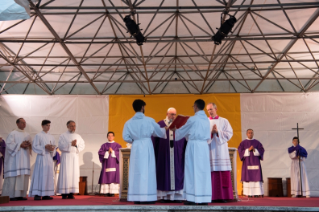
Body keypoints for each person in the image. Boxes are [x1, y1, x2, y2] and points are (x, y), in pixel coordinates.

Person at [122, 99, 167, 204]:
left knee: (136, 171)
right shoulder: (149, 120)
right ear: (142, 107)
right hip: (146, 145)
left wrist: (134, 140)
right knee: (148, 171)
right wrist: (166, 129)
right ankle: (148, 197)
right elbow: (159, 132)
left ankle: (137, 197)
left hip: (136, 146)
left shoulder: (128, 122)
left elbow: (125, 137)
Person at [172, 99, 211, 205]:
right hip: (204, 146)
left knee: (191, 171)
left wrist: (176, 129)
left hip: (194, 146)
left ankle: (192, 198)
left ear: (195, 106)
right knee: (203, 172)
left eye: (193, 106)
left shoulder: (192, 119)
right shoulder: (207, 120)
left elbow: (182, 131)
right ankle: (204, 199)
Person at [153, 107, 187, 203]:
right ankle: (163, 196)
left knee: (177, 173)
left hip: (177, 154)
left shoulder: (180, 125)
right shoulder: (160, 124)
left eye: (175, 114)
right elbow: (155, 139)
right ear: (167, 114)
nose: (173, 116)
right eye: (171, 114)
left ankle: (177, 197)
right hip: (163, 154)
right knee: (164, 173)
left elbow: (184, 138)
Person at [206, 103, 234, 202]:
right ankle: (211, 196)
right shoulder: (205, 122)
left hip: (221, 150)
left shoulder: (224, 121)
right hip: (210, 149)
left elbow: (230, 133)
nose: (209, 111)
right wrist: (210, 133)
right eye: (208, 110)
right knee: (210, 171)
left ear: (216, 109)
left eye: (211, 109)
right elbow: (202, 135)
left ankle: (223, 197)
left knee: (222, 171)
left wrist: (218, 132)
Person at [2, 118, 31, 201]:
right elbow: (9, 145)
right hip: (15, 160)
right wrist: (20, 145)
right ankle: (11, 195)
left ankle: (20, 195)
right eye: (22, 123)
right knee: (14, 176)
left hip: (24, 159)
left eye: (25, 123)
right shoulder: (12, 133)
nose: (24, 124)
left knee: (22, 177)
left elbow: (30, 146)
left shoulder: (27, 134)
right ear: (17, 124)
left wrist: (29, 145)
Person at [57, 120, 85, 199]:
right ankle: (64, 192)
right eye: (71, 126)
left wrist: (76, 147)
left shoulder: (78, 136)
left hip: (74, 157)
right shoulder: (63, 135)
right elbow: (61, 146)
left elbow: (82, 145)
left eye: (74, 126)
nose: (73, 127)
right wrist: (70, 144)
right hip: (66, 156)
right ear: (67, 126)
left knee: (73, 174)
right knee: (65, 173)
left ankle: (71, 192)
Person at [29, 120, 56, 200]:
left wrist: (52, 149)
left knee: (48, 175)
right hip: (41, 157)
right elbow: (34, 146)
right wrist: (44, 147)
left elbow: (54, 148)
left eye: (49, 125)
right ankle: (37, 194)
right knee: (40, 175)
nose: (48, 127)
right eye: (47, 125)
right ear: (42, 126)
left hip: (49, 158)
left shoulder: (51, 137)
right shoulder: (38, 135)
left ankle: (46, 194)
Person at [238, 129, 264, 197]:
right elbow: (240, 151)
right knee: (248, 177)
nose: (250, 134)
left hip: (255, 162)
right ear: (246, 134)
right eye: (249, 133)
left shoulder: (257, 142)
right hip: (247, 162)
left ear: (253, 134)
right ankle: (249, 193)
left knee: (256, 177)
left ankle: (256, 193)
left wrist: (254, 149)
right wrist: (248, 150)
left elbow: (262, 150)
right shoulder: (243, 142)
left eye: (251, 133)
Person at [98, 131, 122, 197]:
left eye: (111, 136)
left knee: (113, 176)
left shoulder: (117, 145)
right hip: (106, 163)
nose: (110, 137)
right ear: (107, 137)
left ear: (114, 137)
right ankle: (105, 192)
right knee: (106, 176)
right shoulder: (104, 145)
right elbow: (100, 153)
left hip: (114, 163)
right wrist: (107, 152)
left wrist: (113, 152)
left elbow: (120, 153)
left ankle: (112, 192)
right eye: (109, 136)